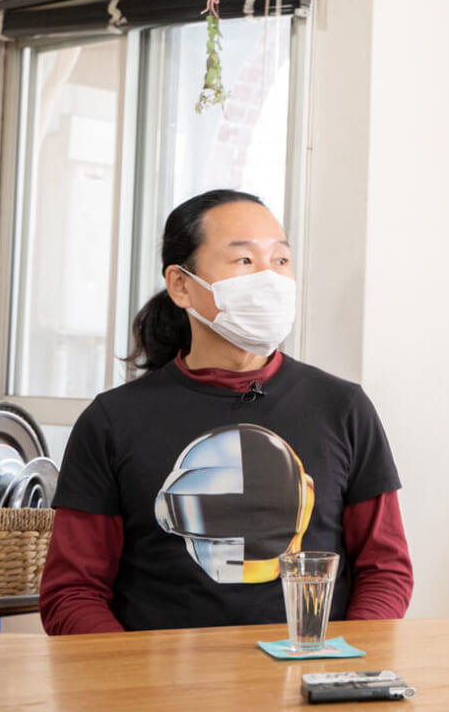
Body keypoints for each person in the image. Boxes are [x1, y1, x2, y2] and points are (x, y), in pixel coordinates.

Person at [40, 189, 413, 633]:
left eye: (280, 260)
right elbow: (72, 592)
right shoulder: (112, 421)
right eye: (244, 260)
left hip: (310, 667)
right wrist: (130, 670)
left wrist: (345, 659)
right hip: (162, 673)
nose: (269, 278)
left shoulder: (343, 407)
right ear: (181, 285)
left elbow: (385, 571)